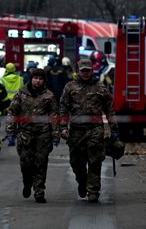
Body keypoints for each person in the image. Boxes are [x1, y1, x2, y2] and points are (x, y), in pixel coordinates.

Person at [59, 59, 120, 203]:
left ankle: (93, 191)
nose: (85, 73)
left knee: (95, 161)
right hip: (76, 131)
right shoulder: (70, 87)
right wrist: (62, 127)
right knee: (76, 162)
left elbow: (109, 110)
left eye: (88, 70)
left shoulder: (100, 88)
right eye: (83, 70)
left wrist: (114, 130)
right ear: (78, 71)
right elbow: (63, 108)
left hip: (95, 130)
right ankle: (82, 181)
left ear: (92, 71)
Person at [6, 68, 59, 203]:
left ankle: (39, 192)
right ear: (31, 79)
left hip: (43, 134)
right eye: (35, 78)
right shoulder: (21, 94)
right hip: (25, 134)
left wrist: (55, 133)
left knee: (41, 163)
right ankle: (27, 182)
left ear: (44, 81)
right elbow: (12, 112)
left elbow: (53, 116)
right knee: (26, 163)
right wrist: (10, 130)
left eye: (41, 79)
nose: (38, 81)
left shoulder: (49, 96)